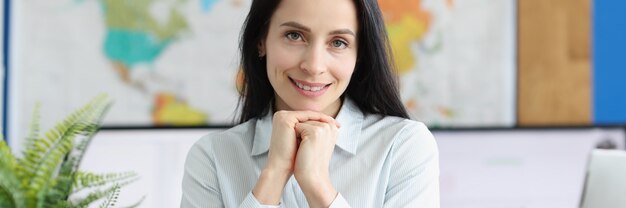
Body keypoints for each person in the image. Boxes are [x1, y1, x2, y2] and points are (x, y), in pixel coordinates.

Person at [181, 0, 440, 207]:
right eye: (294, 36)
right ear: (261, 41)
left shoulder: (403, 146)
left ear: (359, 55)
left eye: (338, 42)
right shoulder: (213, 157)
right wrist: (272, 177)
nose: (314, 66)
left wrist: (317, 185)